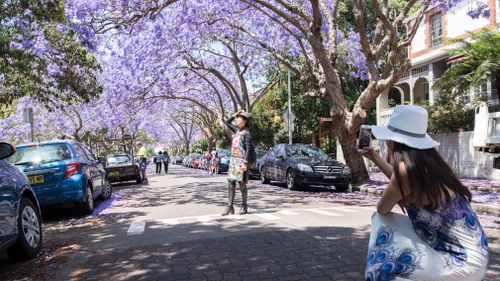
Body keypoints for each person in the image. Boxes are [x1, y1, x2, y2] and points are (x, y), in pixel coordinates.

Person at [360, 105, 489, 280]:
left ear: (394, 141)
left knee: (380, 264)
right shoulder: (431, 163)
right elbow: (403, 183)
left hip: (463, 262)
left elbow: (383, 208)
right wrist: (375, 157)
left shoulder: (406, 172)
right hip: (475, 253)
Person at [221, 110, 256, 216]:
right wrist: (236, 113)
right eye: (237, 118)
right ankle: (230, 207)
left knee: (241, 184)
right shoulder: (237, 130)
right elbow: (227, 122)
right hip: (233, 161)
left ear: (245, 121)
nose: (237, 120)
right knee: (231, 183)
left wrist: (245, 163)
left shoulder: (247, 133)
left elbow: (249, 149)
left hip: (241, 161)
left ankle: (244, 206)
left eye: (239, 118)